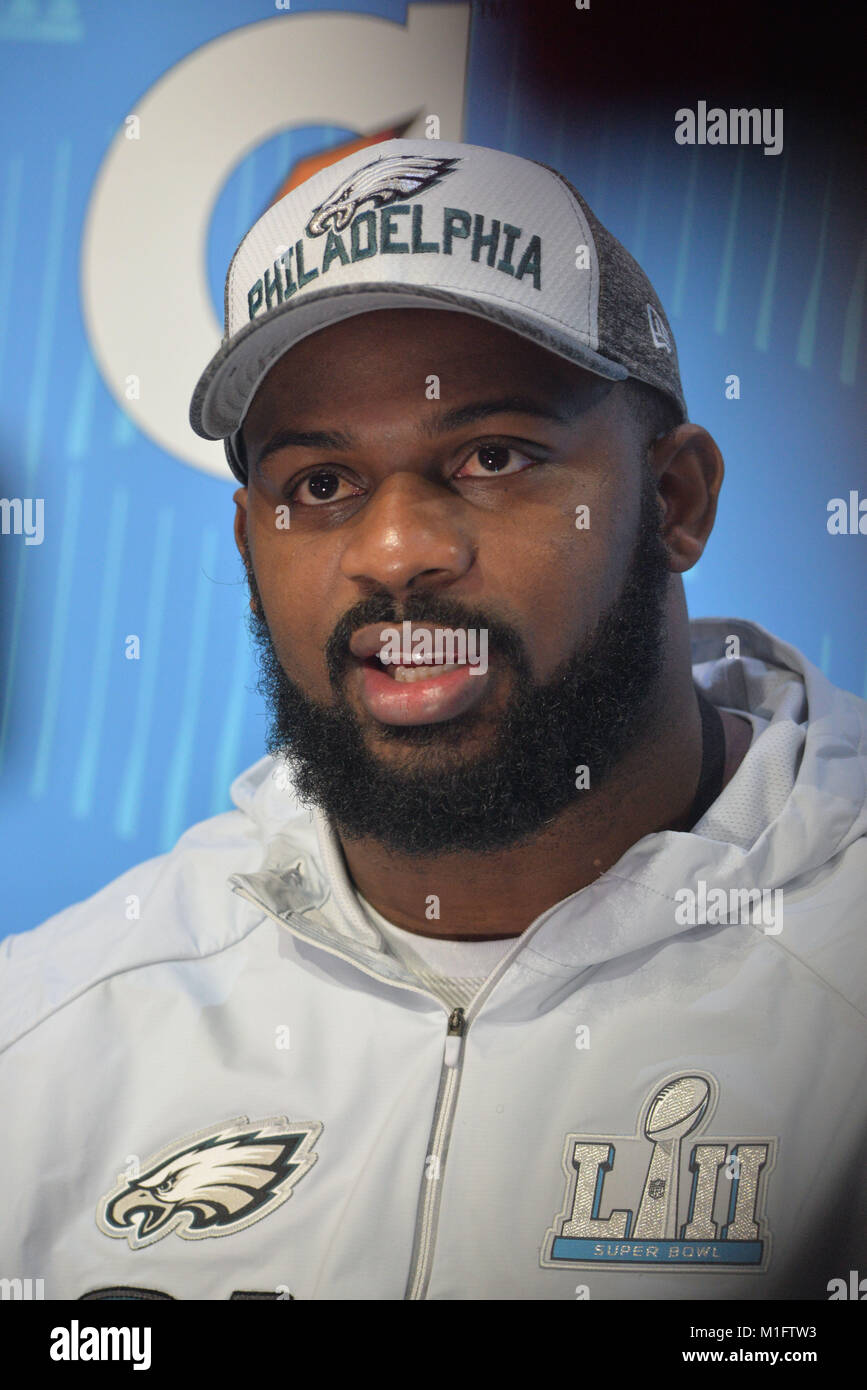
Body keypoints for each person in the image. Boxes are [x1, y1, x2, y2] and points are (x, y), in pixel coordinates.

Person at [1, 139, 864, 1301]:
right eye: (321, 483)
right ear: (251, 547)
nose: (398, 550)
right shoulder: (50, 1035)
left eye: (491, 456)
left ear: (676, 500)